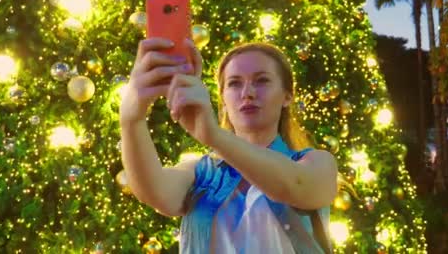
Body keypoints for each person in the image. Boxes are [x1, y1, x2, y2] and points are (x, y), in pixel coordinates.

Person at [119, 37, 337, 253]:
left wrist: (214, 135)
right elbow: (155, 192)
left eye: (262, 80)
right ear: (223, 99)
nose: (247, 93)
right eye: (234, 83)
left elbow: (295, 185)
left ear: (287, 96)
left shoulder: (316, 162)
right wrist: (131, 119)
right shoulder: (200, 171)